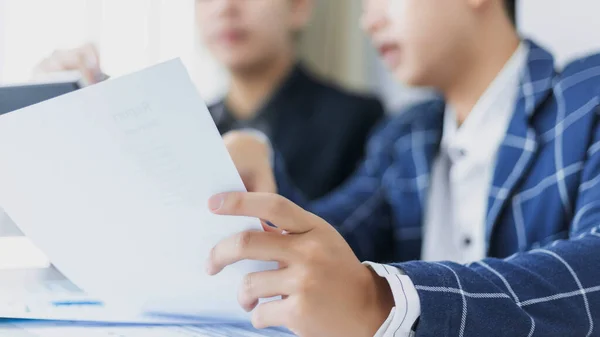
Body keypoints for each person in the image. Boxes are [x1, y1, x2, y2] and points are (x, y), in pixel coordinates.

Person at [206, 0, 600, 336]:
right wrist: (261, 163)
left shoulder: (588, 97)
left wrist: (384, 298)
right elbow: (331, 246)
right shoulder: (405, 137)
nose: (368, 21)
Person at [35, 0, 384, 200]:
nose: (224, 8)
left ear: (298, 7)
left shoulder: (358, 118)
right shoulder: (186, 120)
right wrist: (85, 114)